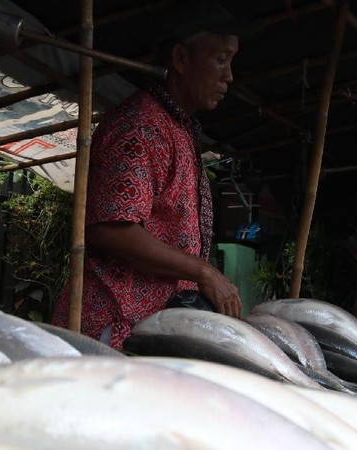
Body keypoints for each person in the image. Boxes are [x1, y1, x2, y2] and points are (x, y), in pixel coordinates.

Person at [51, 1, 257, 349]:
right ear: (180, 59)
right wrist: (203, 271)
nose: (229, 76)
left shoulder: (178, 128)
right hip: (111, 331)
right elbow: (112, 228)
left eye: (231, 61)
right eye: (221, 59)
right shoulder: (140, 126)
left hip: (147, 332)